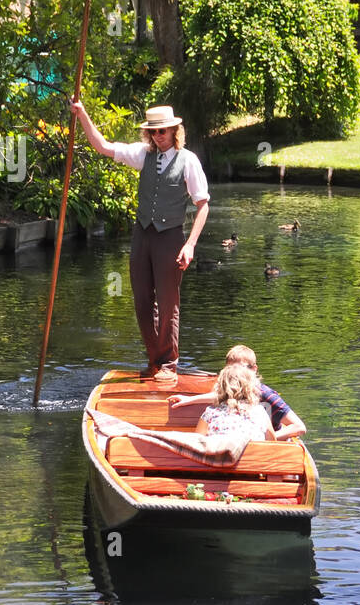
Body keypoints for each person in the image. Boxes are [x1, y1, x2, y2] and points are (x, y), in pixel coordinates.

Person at [71, 101, 208, 387]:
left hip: (170, 236)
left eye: (163, 131)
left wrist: (190, 244)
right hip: (142, 235)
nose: (158, 136)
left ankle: (169, 362)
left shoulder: (188, 160)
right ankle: (154, 360)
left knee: (168, 302)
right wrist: (82, 113)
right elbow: (103, 146)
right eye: (153, 132)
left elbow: (203, 204)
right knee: (142, 300)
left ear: (174, 130)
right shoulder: (142, 154)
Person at [168, 343, 307, 441]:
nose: (235, 374)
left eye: (241, 368)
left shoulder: (265, 394)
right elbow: (221, 396)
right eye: (231, 369)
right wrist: (189, 400)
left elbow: (299, 427)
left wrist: (261, 440)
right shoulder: (229, 393)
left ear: (254, 369)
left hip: (266, 446)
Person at [200, 363, 274, 442]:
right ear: (250, 387)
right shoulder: (260, 411)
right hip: (254, 453)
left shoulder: (211, 412)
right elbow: (272, 441)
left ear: (220, 387)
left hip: (221, 453)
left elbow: (198, 442)